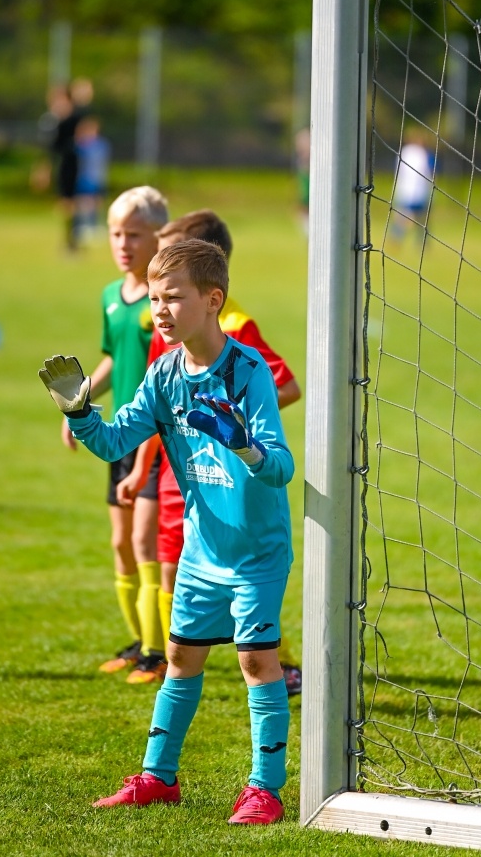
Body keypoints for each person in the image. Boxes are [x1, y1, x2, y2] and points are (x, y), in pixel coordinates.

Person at [39, 238, 294, 824]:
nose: (160, 309)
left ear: (213, 300)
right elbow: (112, 442)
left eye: (173, 297)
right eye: (154, 298)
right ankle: (158, 778)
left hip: (256, 553)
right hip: (203, 553)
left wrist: (247, 447)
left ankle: (265, 790)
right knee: (180, 657)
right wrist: (79, 411)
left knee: (257, 663)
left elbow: (281, 468)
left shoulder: (248, 373)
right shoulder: (164, 373)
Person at [115, 209, 304, 696]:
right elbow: (163, 406)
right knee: (164, 558)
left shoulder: (235, 327)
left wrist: (232, 430)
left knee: (241, 593)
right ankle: (159, 654)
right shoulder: (165, 327)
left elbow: (285, 385)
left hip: (232, 482)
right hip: (177, 467)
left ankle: (279, 664)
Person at [62, 185, 169, 681]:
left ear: (158, 237)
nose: (123, 243)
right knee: (121, 542)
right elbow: (111, 358)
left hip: (153, 438)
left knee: (147, 542)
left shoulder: (164, 298)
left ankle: (159, 650)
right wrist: (77, 405)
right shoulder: (112, 295)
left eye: (134, 234)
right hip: (116, 435)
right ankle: (138, 642)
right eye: (115, 233)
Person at [42, 78, 94, 252]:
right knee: (67, 205)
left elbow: (86, 133)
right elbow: (50, 149)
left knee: (73, 204)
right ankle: (71, 240)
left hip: (75, 165)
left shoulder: (74, 118)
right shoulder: (54, 121)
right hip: (63, 166)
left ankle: (73, 240)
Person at [391, 126, 434, 241]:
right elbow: (428, 171)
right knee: (411, 217)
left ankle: (417, 240)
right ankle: (397, 238)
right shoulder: (420, 153)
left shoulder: (405, 151)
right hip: (415, 191)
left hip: (407, 190)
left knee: (415, 217)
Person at [74, 114, 111, 241]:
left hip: (97, 177)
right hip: (84, 178)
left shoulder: (101, 145)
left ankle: (94, 226)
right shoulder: (81, 145)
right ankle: (83, 225)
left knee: (96, 202)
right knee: (84, 202)